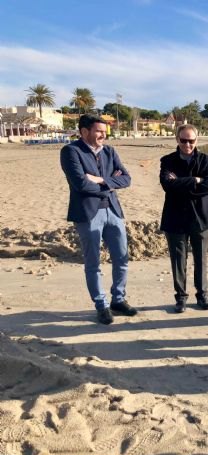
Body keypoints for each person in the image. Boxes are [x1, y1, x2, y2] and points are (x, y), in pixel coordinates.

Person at [60, 113, 138, 324]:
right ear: (84, 131)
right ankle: (101, 305)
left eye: (105, 132)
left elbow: (127, 179)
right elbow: (81, 185)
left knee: (122, 258)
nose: (103, 135)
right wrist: (111, 184)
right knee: (93, 262)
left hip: (113, 211)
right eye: (99, 131)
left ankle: (118, 300)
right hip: (88, 214)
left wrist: (102, 180)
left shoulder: (110, 151)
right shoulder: (71, 151)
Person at [160, 124, 208, 313]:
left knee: (201, 258)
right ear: (177, 139)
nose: (187, 144)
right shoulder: (167, 161)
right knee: (178, 260)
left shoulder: (205, 160)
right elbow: (167, 185)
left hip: (200, 217)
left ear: (196, 141)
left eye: (191, 141)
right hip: (175, 217)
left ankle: (202, 295)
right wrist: (194, 180)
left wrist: (180, 182)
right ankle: (181, 297)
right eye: (183, 140)